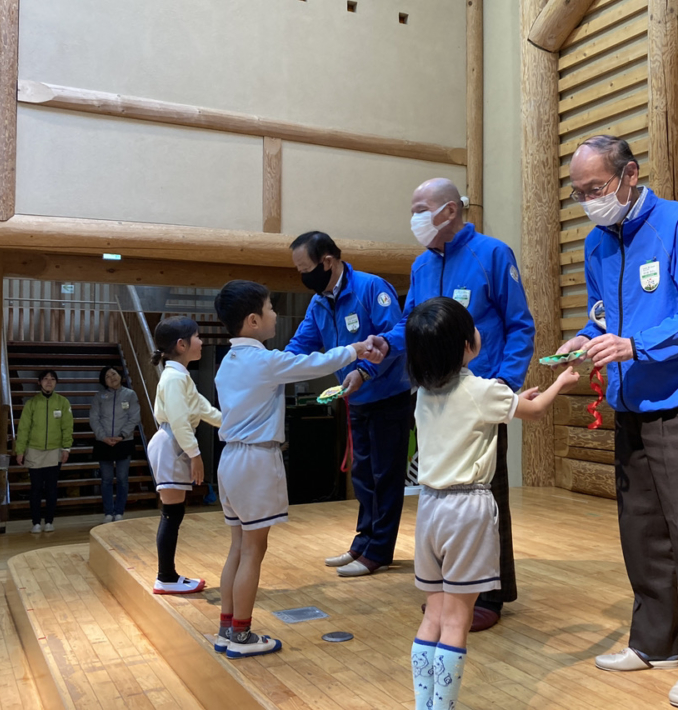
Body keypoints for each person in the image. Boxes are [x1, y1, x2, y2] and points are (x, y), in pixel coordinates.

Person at [558, 135, 678, 709]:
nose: (588, 201)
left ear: (630, 174)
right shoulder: (597, 243)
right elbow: (603, 314)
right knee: (641, 530)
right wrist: (584, 339)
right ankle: (654, 643)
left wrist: (636, 346)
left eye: (596, 189)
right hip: (628, 406)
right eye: (579, 193)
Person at [374, 177, 535, 631]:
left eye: (421, 207)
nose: (414, 218)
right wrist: (383, 346)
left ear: (449, 210)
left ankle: (490, 592)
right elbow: (409, 323)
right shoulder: (421, 265)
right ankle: (447, 587)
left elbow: (520, 325)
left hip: (480, 394)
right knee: (439, 491)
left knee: (486, 492)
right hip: (434, 398)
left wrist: (503, 383)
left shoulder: (493, 254)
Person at [406, 297, 579, 710]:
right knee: (457, 620)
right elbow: (534, 412)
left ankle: (424, 706)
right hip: (467, 511)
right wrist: (561, 384)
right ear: (466, 344)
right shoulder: (484, 391)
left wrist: (515, 398)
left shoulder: (422, 395)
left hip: (429, 509)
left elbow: (506, 406)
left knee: (433, 615)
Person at [211, 280, 386, 658]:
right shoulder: (263, 361)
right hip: (256, 461)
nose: (276, 314)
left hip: (229, 461)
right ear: (254, 320)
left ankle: (227, 629)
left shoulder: (229, 362)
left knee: (237, 548)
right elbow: (312, 363)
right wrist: (356, 348)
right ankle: (241, 636)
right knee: (253, 552)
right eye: (272, 308)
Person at [286, 231, 411, 578]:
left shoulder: (372, 288)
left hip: (388, 397)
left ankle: (380, 551)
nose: (302, 275)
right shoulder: (318, 302)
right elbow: (302, 343)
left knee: (385, 475)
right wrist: (273, 367)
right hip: (354, 399)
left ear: (327, 261)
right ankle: (364, 540)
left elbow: (393, 339)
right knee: (363, 475)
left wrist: (364, 371)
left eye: (305, 268)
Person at [147, 316, 222, 596]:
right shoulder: (174, 377)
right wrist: (196, 455)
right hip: (172, 444)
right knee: (171, 514)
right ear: (182, 344)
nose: (202, 341)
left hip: (173, 443)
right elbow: (179, 421)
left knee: (173, 513)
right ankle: (165, 577)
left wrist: (236, 426)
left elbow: (205, 410)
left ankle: (167, 575)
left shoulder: (180, 376)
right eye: (198, 336)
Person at [15, 370, 73, 534]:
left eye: (52, 379)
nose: (49, 382)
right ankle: (35, 522)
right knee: (36, 488)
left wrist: (66, 448)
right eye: (46, 379)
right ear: (39, 382)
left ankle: (49, 521)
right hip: (34, 450)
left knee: (51, 488)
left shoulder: (63, 402)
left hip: (54, 451)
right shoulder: (31, 404)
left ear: (56, 382)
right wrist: (20, 451)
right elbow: (24, 429)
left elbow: (67, 427)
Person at [89, 365, 140, 523]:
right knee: (106, 479)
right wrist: (103, 437)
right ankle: (108, 512)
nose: (112, 378)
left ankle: (119, 512)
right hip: (103, 442)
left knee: (123, 478)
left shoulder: (130, 394)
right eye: (108, 377)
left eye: (114, 374)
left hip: (124, 442)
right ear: (104, 381)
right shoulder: (99, 396)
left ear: (120, 375)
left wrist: (121, 436)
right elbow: (94, 418)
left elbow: (134, 417)